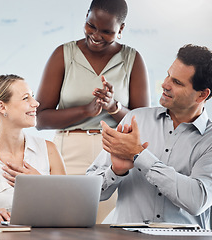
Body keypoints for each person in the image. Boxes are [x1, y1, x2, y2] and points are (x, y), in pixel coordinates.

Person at [35, 0, 150, 222]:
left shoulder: (132, 59)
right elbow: (40, 119)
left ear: (121, 29)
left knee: (111, 228)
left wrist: (113, 107)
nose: (96, 35)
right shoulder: (63, 54)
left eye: (107, 31)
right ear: (86, 16)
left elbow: (144, 122)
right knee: (66, 226)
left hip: (114, 154)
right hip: (68, 153)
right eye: (91, 26)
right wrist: (86, 111)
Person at [87, 44, 212, 229]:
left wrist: (139, 156)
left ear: (202, 95)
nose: (165, 84)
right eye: (168, 75)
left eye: (177, 82)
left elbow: (197, 200)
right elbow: (90, 192)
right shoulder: (136, 119)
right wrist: (115, 171)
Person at [0, 74, 66, 224]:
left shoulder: (49, 151)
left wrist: (40, 185)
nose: (36, 103)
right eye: (26, 98)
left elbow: (66, 214)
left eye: (32, 96)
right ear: (2, 107)